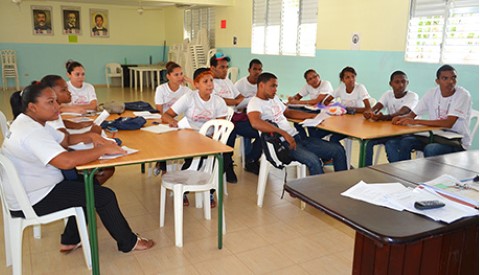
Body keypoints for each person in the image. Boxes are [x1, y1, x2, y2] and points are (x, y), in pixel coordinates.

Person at [2, 82, 154, 254]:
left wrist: (91, 136)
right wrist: (102, 149)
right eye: (50, 102)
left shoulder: (31, 122)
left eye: (55, 101)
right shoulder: (31, 131)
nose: (57, 106)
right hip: (34, 198)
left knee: (91, 186)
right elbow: (65, 161)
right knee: (105, 196)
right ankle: (129, 243)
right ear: (32, 107)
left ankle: (70, 240)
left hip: (32, 191)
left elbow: (65, 141)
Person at [247, 72, 348, 175]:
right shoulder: (255, 103)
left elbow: (288, 112)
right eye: (272, 86)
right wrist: (283, 133)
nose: (275, 89)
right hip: (285, 144)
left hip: (298, 139)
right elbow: (255, 122)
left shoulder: (275, 99)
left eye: (276, 86)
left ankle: (342, 185)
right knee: (314, 161)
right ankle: (317, 191)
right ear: (261, 85)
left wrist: (313, 116)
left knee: (338, 150)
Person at [162, 67, 228, 207]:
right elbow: (166, 115)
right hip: (189, 137)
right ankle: (183, 190)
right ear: (196, 84)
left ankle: (209, 190)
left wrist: (212, 136)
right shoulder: (189, 98)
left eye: (211, 81)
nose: (210, 84)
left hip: (209, 138)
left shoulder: (218, 101)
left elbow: (222, 125)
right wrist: (173, 122)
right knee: (194, 159)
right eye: (205, 81)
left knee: (220, 159)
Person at [385, 65, 472, 161]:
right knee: (404, 142)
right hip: (434, 136)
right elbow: (412, 115)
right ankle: (402, 173)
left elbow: (448, 123)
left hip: (456, 142)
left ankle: (430, 176)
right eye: (445, 78)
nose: (450, 82)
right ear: (437, 81)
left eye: (453, 78)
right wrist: (401, 118)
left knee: (431, 149)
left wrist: (416, 122)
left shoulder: (462, 95)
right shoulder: (432, 93)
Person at [41, 74, 115, 184]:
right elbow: (66, 141)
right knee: (109, 168)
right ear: (51, 93)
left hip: (61, 160)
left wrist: (77, 125)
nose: (69, 92)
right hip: (65, 163)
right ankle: (88, 192)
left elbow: (60, 126)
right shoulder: (51, 115)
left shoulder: (49, 113)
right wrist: (94, 132)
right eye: (64, 90)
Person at [210, 53, 262, 182]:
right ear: (212, 68)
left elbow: (239, 97)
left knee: (262, 131)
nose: (225, 70)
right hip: (220, 120)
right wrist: (233, 101)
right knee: (230, 133)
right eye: (222, 67)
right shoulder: (209, 82)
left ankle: (250, 159)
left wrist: (231, 101)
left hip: (234, 117)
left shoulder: (227, 80)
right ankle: (228, 166)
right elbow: (217, 101)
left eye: (226, 67)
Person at [361, 71, 419, 165]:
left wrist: (383, 117)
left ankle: (399, 171)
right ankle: (367, 169)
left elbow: (403, 112)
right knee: (368, 141)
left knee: (391, 144)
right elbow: (376, 108)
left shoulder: (412, 96)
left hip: (408, 133)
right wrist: (370, 113)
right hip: (392, 131)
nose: (400, 85)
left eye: (403, 82)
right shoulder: (388, 94)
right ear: (390, 84)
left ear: (407, 83)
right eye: (397, 82)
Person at [153, 61, 193, 176]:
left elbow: (199, 92)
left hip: (182, 124)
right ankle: (163, 167)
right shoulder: (161, 89)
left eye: (181, 74)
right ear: (168, 76)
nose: (180, 77)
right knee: (165, 139)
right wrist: (170, 121)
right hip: (165, 122)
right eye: (176, 75)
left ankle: (184, 166)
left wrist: (190, 81)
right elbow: (160, 111)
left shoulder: (185, 90)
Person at [233, 58, 263, 171]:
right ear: (249, 70)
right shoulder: (240, 84)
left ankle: (252, 158)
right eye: (254, 69)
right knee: (262, 132)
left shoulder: (261, 84)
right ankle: (251, 160)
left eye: (259, 69)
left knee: (268, 131)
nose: (257, 72)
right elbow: (234, 105)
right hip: (240, 120)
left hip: (256, 117)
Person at [329, 66, 372, 144]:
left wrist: (347, 109)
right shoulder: (340, 88)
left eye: (353, 76)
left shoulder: (360, 88)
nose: (351, 79)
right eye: (347, 77)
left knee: (334, 138)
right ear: (342, 80)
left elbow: (368, 108)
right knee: (332, 138)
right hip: (344, 122)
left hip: (358, 123)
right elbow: (326, 101)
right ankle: (340, 154)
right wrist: (336, 106)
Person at [287, 69, 334, 139]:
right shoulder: (307, 86)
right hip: (314, 110)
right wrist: (291, 100)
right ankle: (304, 140)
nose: (313, 80)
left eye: (315, 77)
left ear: (319, 76)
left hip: (328, 111)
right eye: (310, 79)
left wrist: (297, 102)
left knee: (312, 130)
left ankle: (312, 140)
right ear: (307, 82)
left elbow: (317, 101)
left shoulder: (326, 84)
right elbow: (298, 96)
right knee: (297, 122)